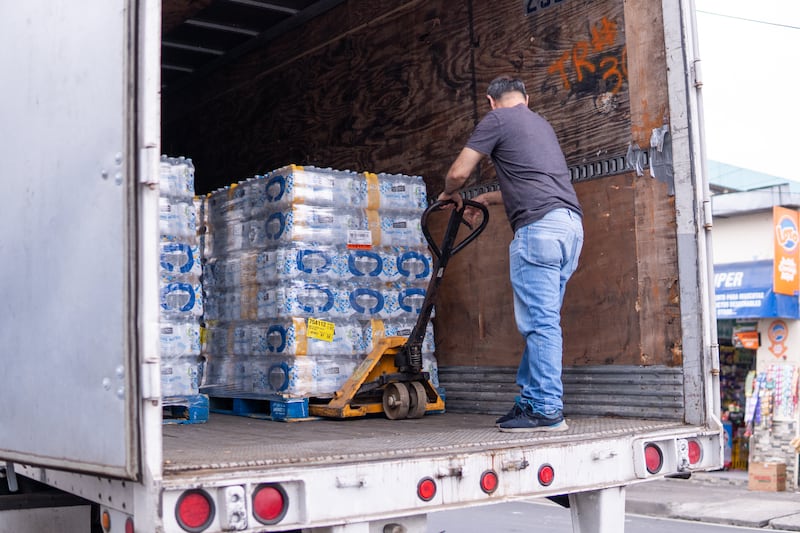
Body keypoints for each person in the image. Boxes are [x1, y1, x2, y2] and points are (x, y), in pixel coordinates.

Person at [437, 75, 583, 433]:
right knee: (543, 319)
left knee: (541, 323)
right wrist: (487, 198)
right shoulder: (541, 126)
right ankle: (532, 401)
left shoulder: (497, 119)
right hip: (570, 229)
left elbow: (458, 171)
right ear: (527, 99)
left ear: (490, 101)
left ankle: (547, 409)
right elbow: (536, 184)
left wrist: (449, 193)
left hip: (539, 232)